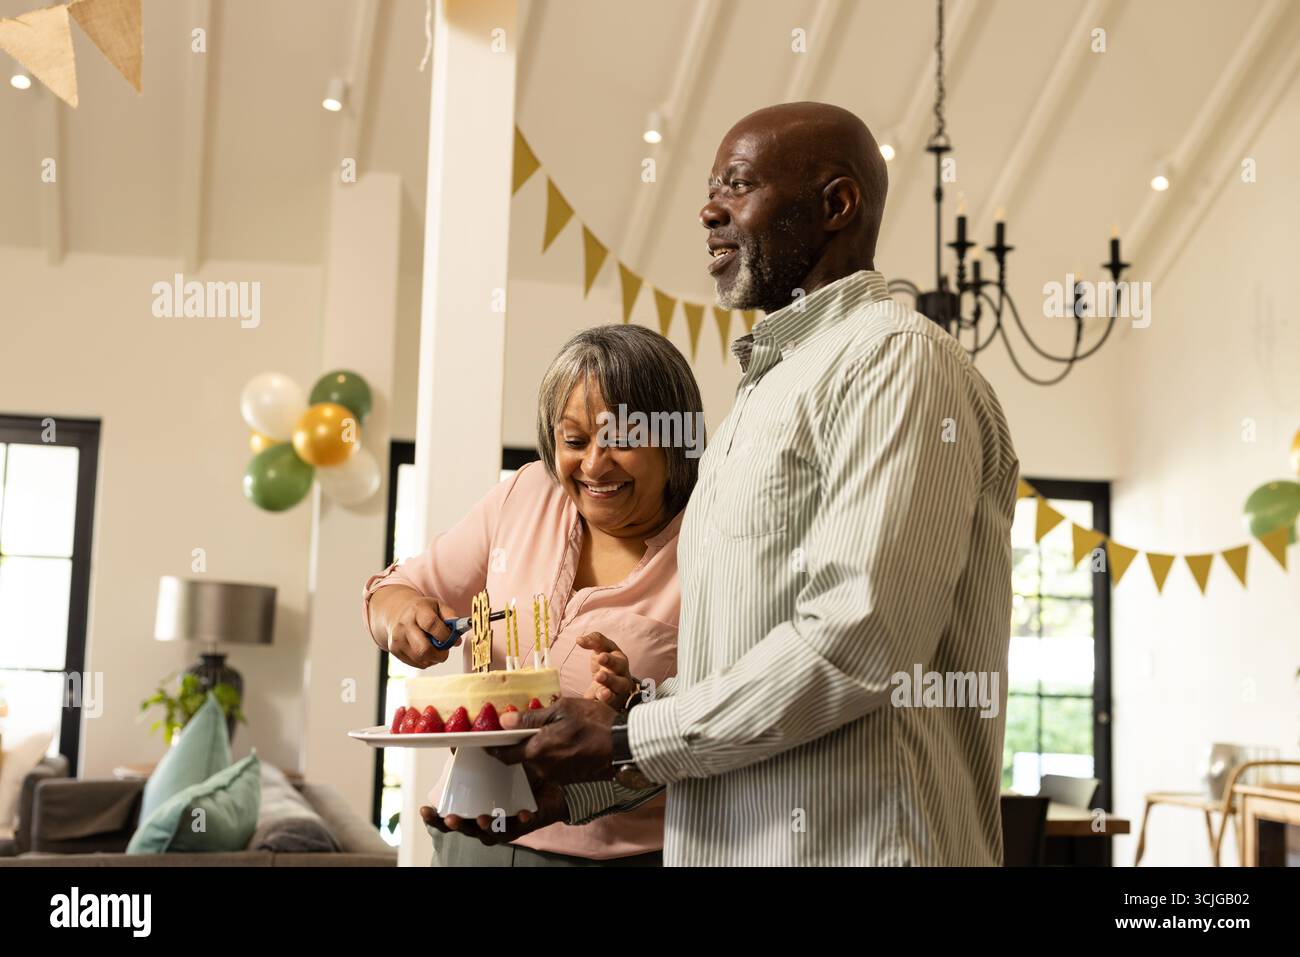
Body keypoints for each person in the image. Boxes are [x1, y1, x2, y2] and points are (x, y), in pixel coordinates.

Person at [437, 101, 1020, 865]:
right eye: (711, 187)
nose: (709, 210)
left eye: (737, 186)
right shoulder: (764, 388)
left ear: (836, 204)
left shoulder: (893, 362)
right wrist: (581, 791)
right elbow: (732, 694)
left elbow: (856, 641)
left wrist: (620, 733)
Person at [362, 324, 704, 866]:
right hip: (466, 833)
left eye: (623, 439)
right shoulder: (526, 494)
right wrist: (402, 615)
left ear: (678, 439)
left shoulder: (713, 545)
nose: (594, 464)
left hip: (619, 853)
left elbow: (717, 721)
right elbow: (395, 590)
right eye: (574, 441)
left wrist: (632, 710)